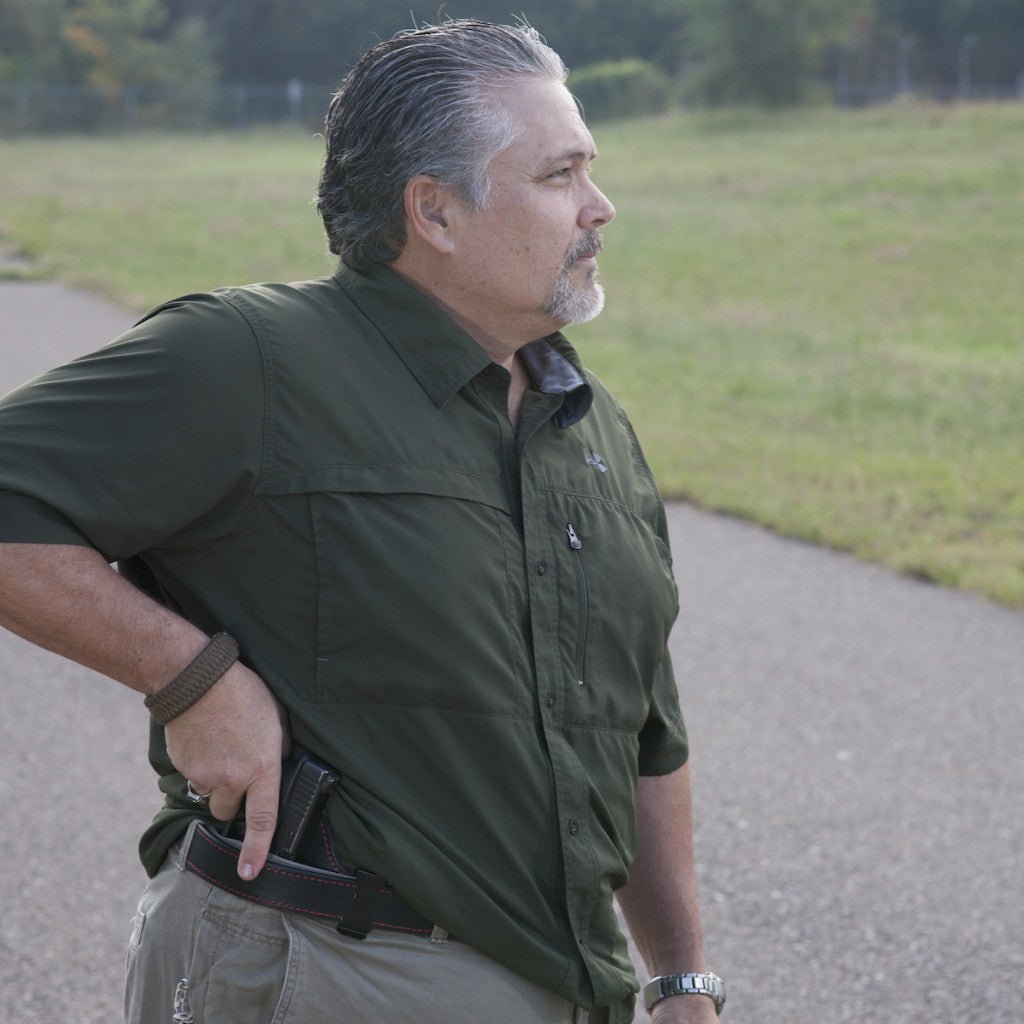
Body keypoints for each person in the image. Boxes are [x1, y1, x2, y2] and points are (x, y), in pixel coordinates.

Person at [0, 20, 724, 1024]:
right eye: (560, 176)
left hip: (568, 986)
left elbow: (640, 726)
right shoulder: (252, 357)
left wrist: (681, 979)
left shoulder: (587, 423)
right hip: (327, 966)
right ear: (434, 211)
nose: (599, 207)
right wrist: (190, 676)